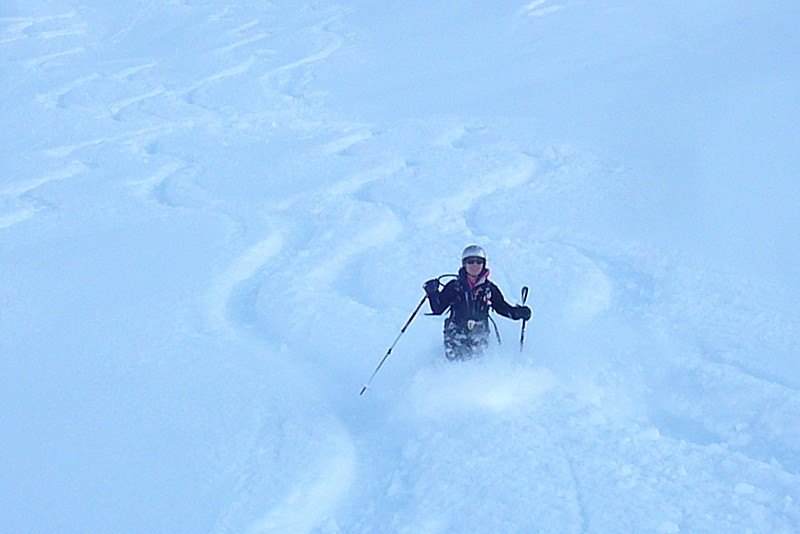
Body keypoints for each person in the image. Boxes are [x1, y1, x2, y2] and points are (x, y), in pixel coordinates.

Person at [423, 245, 532, 361]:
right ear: (464, 264)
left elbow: (502, 308)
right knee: (456, 363)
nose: (475, 265)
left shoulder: (489, 288)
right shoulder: (455, 287)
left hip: (479, 333)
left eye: (479, 262)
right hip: (455, 333)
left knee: (477, 362)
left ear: (483, 264)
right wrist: (432, 293)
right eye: (470, 262)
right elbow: (438, 309)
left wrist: (518, 313)